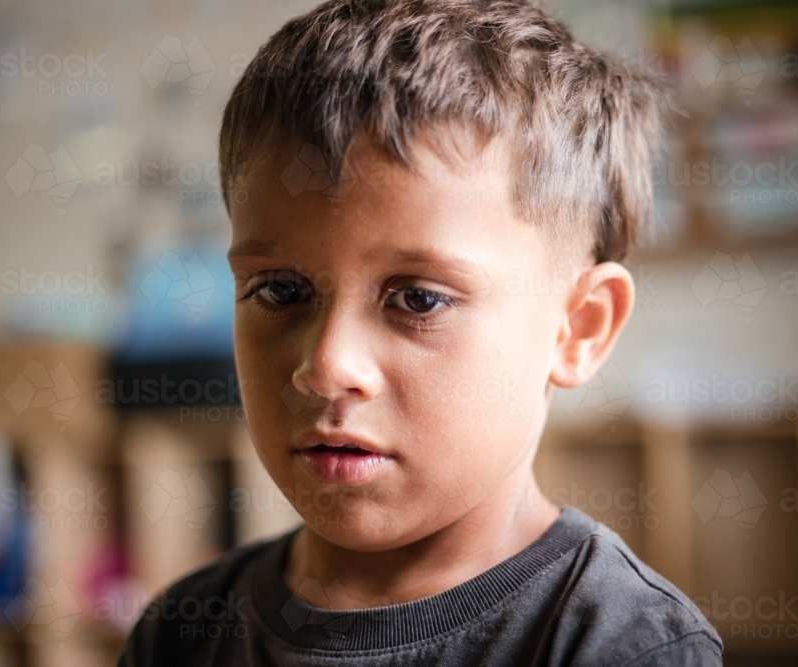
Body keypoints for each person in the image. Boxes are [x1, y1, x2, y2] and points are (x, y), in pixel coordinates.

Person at [119, 1, 722, 664]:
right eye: (281, 291)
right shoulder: (179, 631)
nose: (325, 366)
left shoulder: (619, 643)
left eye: (418, 298)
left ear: (578, 327)